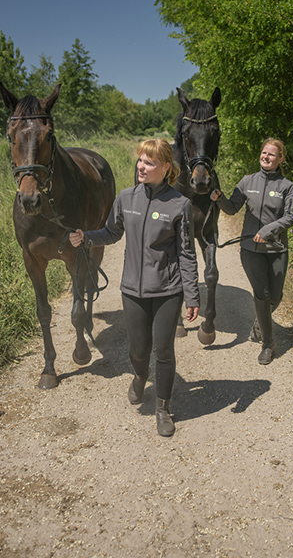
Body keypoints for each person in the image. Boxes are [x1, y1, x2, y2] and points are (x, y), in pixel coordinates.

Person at [70, 138, 200, 437]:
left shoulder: (180, 204)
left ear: (166, 167)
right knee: (139, 351)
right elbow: (112, 232)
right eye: (140, 160)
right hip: (132, 290)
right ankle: (140, 377)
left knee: (164, 351)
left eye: (149, 162)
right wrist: (86, 237)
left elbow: (186, 254)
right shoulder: (126, 198)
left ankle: (163, 407)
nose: (141, 166)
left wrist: (192, 294)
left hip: (168, 290)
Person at [210, 138, 293, 365]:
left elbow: (291, 216)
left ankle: (259, 325)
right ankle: (268, 344)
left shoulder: (286, 186)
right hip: (250, 249)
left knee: (276, 296)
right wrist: (220, 199)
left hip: (277, 248)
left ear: (280, 159)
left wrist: (268, 230)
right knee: (262, 293)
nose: (266, 157)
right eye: (264, 153)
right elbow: (231, 208)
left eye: (272, 154)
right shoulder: (247, 182)